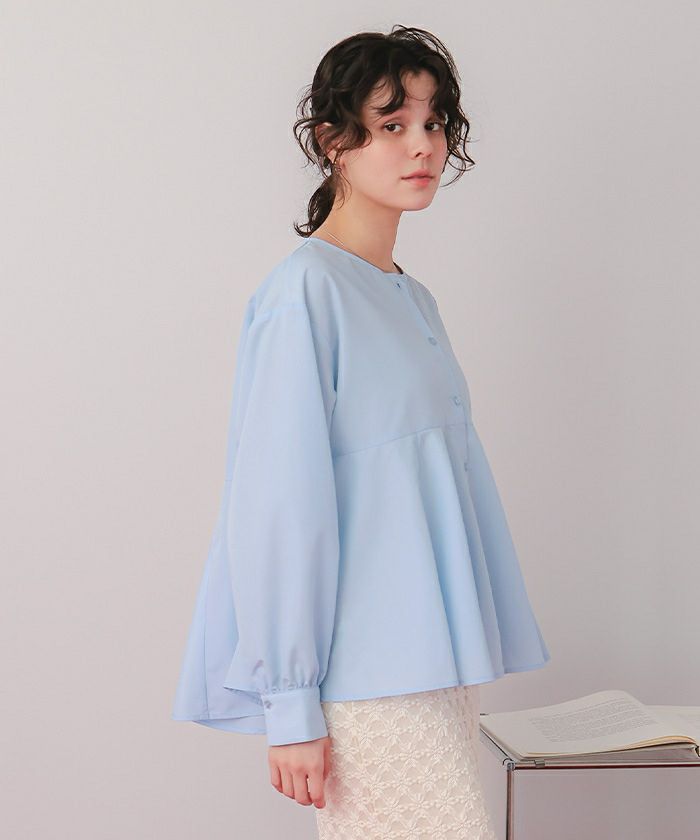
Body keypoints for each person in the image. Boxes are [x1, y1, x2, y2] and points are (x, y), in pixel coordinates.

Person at [172, 25, 551, 839]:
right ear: (333, 141)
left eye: (433, 121)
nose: (423, 145)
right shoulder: (306, 294)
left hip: (433, 671)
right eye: (392, 124)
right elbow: (279, 508)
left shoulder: (412, 298)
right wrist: (291, 703)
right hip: (366, 680)